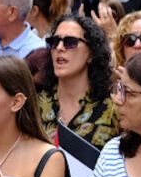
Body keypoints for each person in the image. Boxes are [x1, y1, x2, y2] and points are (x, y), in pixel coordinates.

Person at [38, 14, 122, 151]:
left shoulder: (113, 109)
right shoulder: (33, 104)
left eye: (70, 42)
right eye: (54, 41)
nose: (59, 47)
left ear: (91, 53)